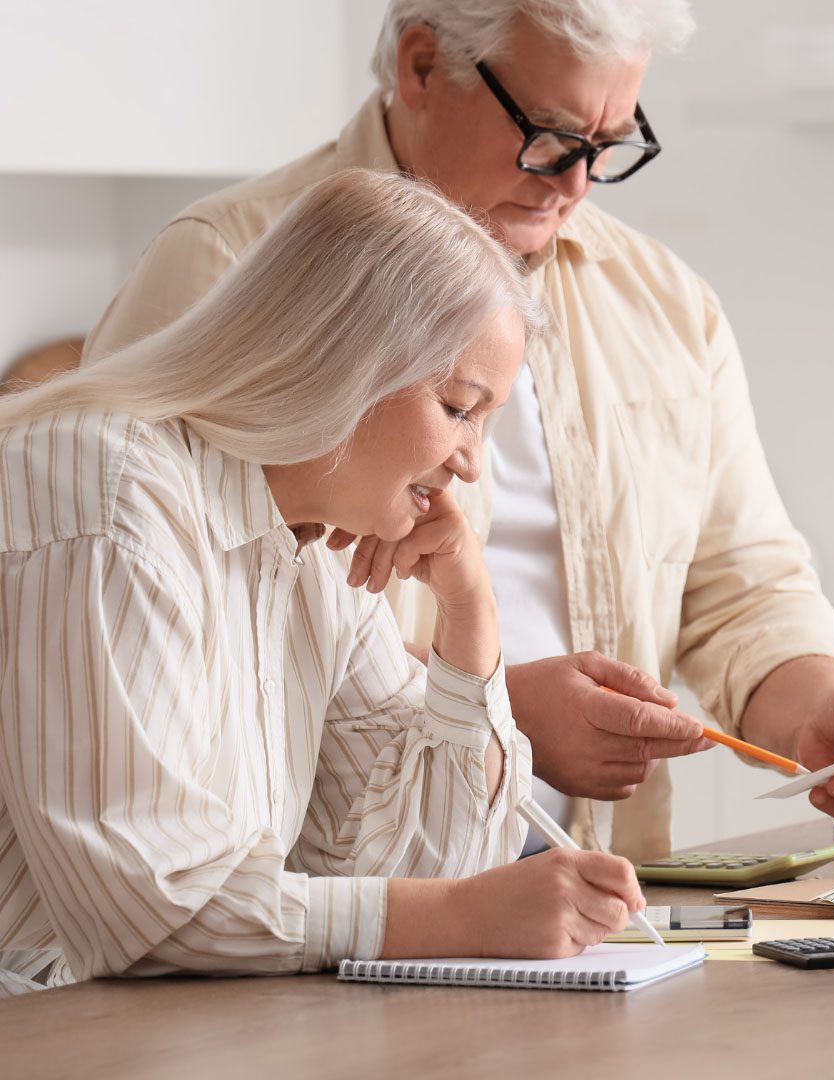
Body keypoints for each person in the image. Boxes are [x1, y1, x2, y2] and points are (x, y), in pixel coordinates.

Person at [83, 0, 834, 862]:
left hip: (599, 889)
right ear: (421, 67)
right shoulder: (228, 264)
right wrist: (496, 703)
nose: (575, 184)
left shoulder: (669, 307)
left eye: (610, 146)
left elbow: (744, 587)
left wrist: (820, 709)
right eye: (552, 134)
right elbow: (150, 606)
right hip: (318, 898)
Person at [0, 170, 648, 997]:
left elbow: (418, 860)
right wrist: (461, 916)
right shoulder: (108, 484)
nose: (472, 462)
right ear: (347, 360)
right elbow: (146, 907)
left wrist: (469, 618)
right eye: (458, 407)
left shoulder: (316, 542)